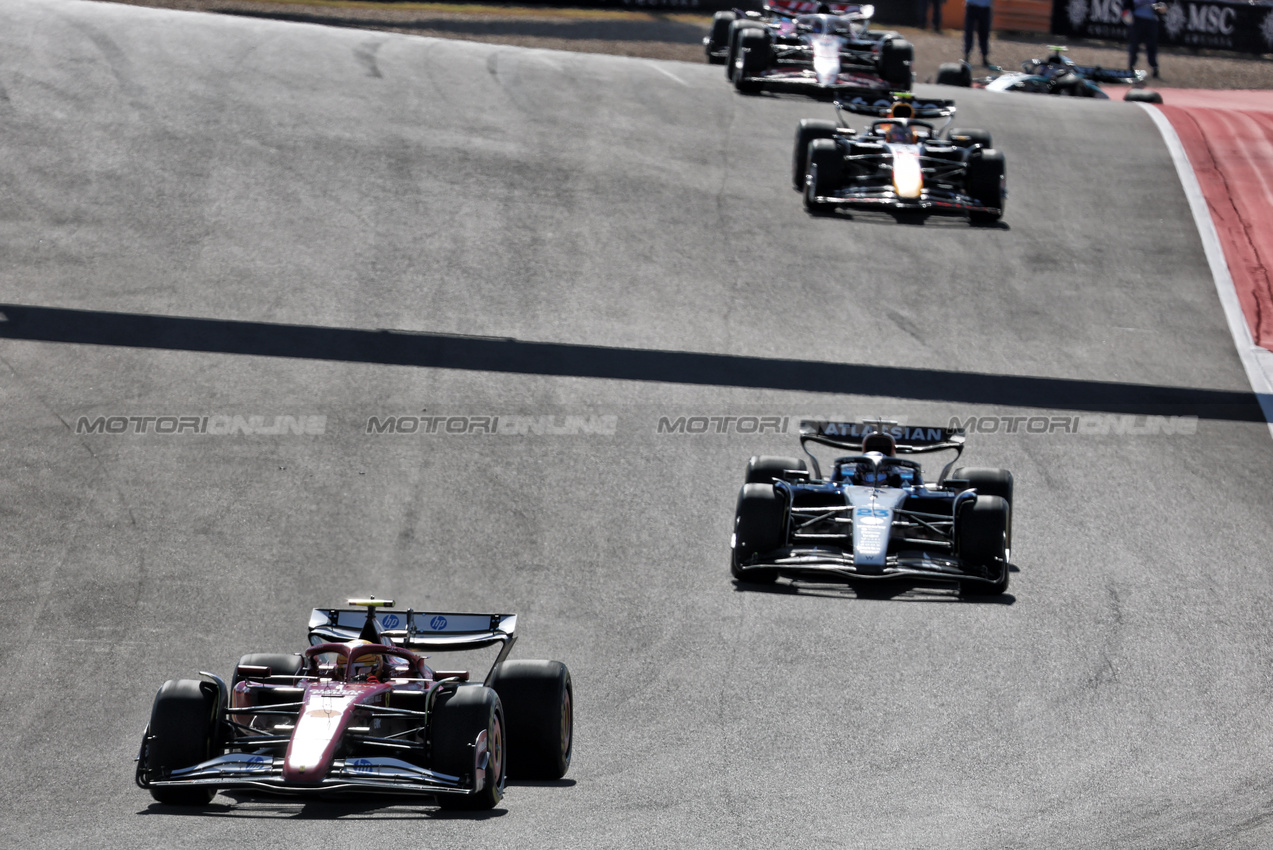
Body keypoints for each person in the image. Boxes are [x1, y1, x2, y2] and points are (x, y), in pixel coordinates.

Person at [1123, 0, 1162, 79]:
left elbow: (1160, 5)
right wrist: (1127, 13)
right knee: (1134, 45)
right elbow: (1126, 5)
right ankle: (1131, 66)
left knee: (1151, 46)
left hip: (1151, 20)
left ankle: (1154, 67)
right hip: (1137, 19)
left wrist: (1158, 7)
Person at [963, 0, 992, 67]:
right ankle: (967, 55)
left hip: (984, 7)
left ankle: (984, 56)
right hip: (972, 6)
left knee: (984, 33)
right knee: (969, 31)